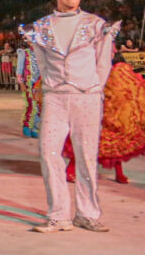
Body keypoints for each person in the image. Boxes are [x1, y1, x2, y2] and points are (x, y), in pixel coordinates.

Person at [21, 0, 120, 232]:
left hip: (87, 97)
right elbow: (41, 62)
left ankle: (87, 214)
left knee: (86, 156)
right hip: (55, 98)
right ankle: (59, 215)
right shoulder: (41, 27)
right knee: (48, 152)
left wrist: (94, 88)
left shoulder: (95, 24)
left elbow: (103, 62)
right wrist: (49, 87)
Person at [61, 57, 145, 185]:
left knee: (114, 141)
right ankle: (71, 169)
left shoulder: (119, 71)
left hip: (110, 109)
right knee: (91, 140)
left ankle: (118, 172)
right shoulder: (103, 65)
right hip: (98, 105)